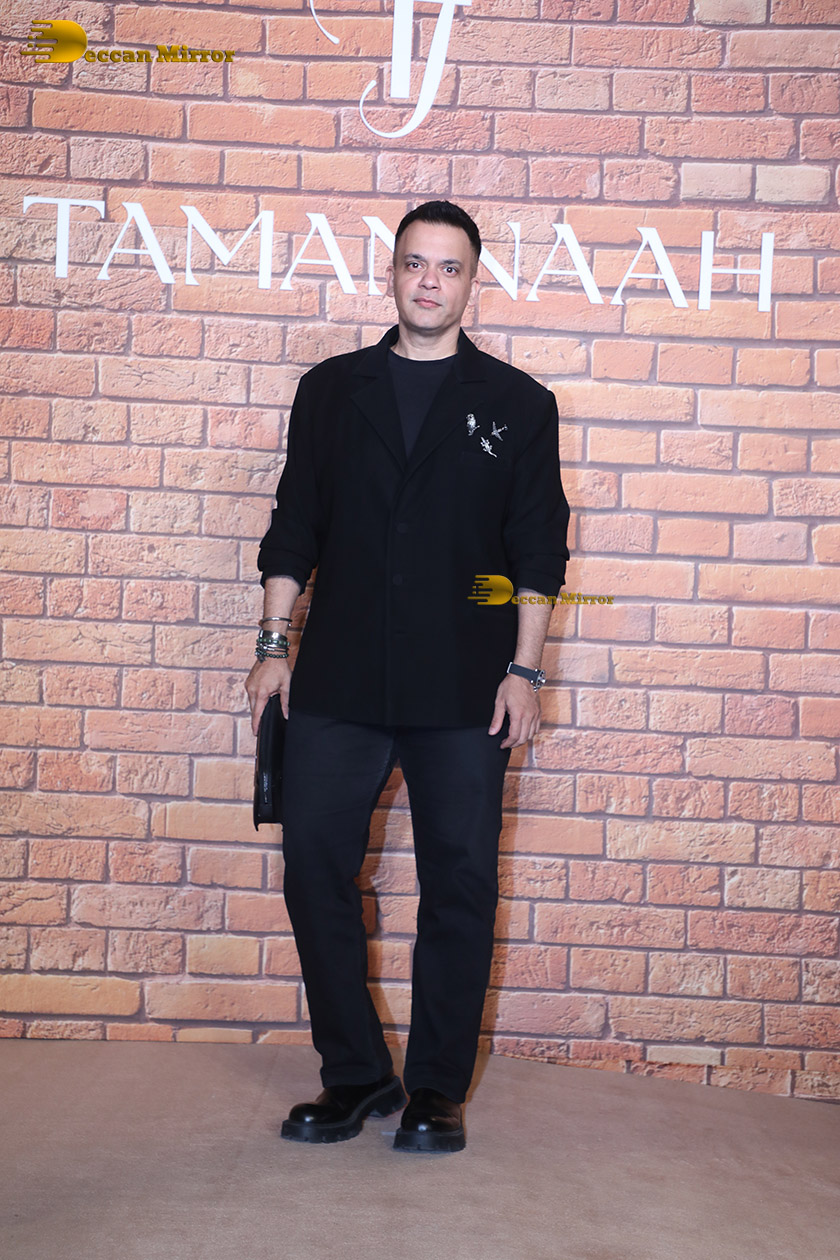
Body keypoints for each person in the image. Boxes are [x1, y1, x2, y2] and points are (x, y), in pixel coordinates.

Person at [245, 200, 569, 1154]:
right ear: (390, 274)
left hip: (465, 687)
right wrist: (272, 645)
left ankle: (435, 1090)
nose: (430, 282)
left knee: (459, 882)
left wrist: (525, 669)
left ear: (473, 282)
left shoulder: (519, 404)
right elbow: (294, 523)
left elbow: (538, 551)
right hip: (339, 679)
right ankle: (355, 1074)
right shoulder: (330, 390)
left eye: (449, 267)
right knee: (314, 867)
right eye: (415, 264)